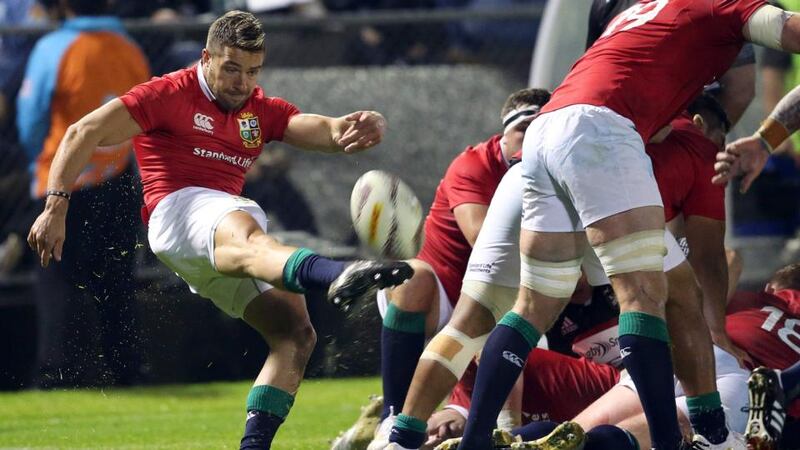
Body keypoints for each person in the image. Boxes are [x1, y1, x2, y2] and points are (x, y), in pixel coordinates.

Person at [25, 10, 413, 449]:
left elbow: (315, 127)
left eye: (251, 71)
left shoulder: (256, 108)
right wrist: (56, 205)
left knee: (294, 334)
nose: (241, 82)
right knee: (252, 235)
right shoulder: (168, 92)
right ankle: (334, 272)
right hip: (180, 210)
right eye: (231, 68)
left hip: (209, 239)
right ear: (206, 58)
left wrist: (351, 128)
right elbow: (83, 131)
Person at [446, 2, 800, 450]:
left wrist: (765, 137)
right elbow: (788, 33)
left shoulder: (649, 11)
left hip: (549, 129)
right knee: (647, 295)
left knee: (534, 305)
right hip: (602, 131)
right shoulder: (723, 5)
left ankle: (473, 442)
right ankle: (675, 440)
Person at [331, 87, 551, 450]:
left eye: (542, 130)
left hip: (509, 298)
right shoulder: (474, 164)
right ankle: (392, 418)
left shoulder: (553, 169)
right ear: (504, 132)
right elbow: (485, 239)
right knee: (412, 277)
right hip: (446, 296)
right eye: (524, 129)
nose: (532, 140)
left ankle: (473, 428)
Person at [16, 0, 150, 387]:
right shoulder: (129, 47)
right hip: (120, 178)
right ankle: (127, 369)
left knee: (55, 278)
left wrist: (37, 164)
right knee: (116, 282)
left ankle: (56, 373)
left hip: (62, 187)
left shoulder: (54, 48)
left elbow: (32, 119)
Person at [722, 262, 800, 450]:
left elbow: (730, 258)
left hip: (713, 358)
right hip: (778, 409)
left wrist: (715, 330)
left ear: (770, 289)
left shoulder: (745, 299)